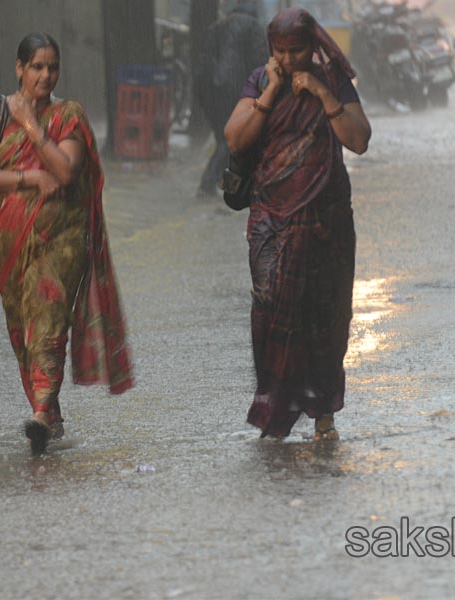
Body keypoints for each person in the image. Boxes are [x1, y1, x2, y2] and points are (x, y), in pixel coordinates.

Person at [0, 33, 134, 455]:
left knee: (50, 316)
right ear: (19, 68)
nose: (45, 75)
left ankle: (41, 412)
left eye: (52, 67)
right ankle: (51, 414)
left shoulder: (68, 115)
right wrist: (26, 178)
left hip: (62, 241)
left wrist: (30, 125)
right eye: (37, 66)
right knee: (24, 328)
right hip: (7, 245)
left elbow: (67, 171)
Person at [223, 8, 371, 441]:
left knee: (325, 315)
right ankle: (276, 412)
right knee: (271, 310)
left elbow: (359, 139)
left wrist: (324, 94)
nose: (289, 60)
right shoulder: (259, 81)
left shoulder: (334, 81)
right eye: (280, 52)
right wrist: (270, 92)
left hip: (326, 220)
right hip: (271, 218)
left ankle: (323, 413)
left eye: (298, 50)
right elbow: (235, 138)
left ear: (314, 46)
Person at [195, 0, 267, 197]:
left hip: (209, 91)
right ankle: (215, 187)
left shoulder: (216, 26)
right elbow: (260, 62)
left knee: (224, 140)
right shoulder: (254, 26)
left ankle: (224, 189)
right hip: (234, 90)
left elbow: (203, 61)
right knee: (233, 143)